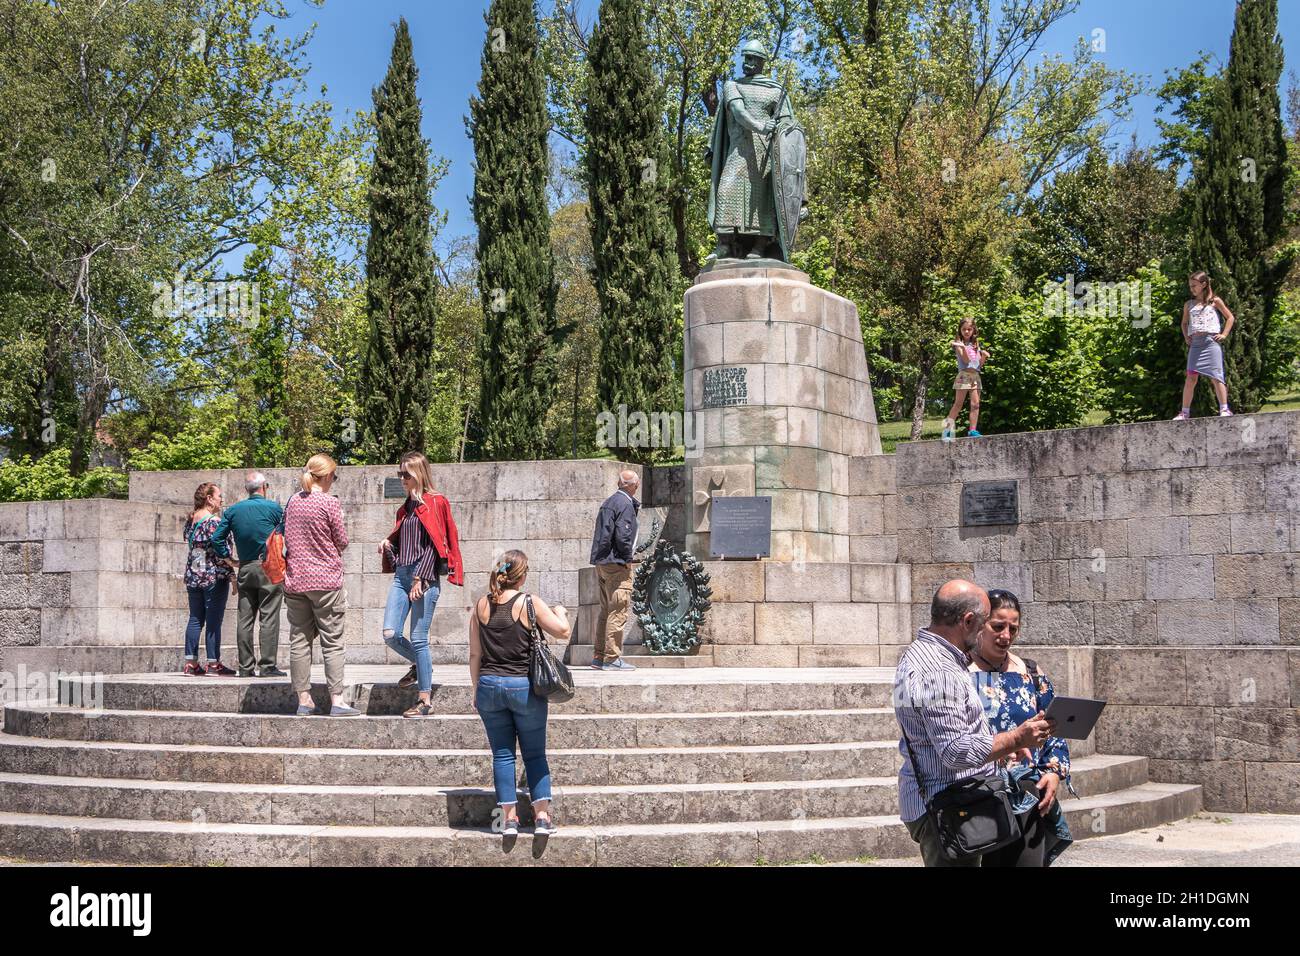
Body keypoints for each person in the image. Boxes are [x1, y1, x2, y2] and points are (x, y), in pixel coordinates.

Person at [893, 579, 1055, 867]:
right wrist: (1016, 738)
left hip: (947, 800)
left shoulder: (920, 653)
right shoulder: (939, 670)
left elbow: (943, 735)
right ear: (968, 621)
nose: (985, 632)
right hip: (948, 805)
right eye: (984, 623)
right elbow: (956, 751)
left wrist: (1002, 747)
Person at [968, 589, 1074, 866]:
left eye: (1013, 629)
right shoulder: (960, 673)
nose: (1006, 635)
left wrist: (1053, 773)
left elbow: (1053, 726)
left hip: (1027, 789)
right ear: (981, 624)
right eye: (998, 626)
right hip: (979, 792)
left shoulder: (1031, 673)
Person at [468, 549, 570, 837]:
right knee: (535, 755)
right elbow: (562, 631)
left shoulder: (479, 607)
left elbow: (475, 654)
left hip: (489, 686)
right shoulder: (529, 602)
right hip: (523, 688)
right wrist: (560, 612)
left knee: (502, 755)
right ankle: (542, 820)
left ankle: (508, 821)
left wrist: (477, 689)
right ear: (522, 576)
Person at [378, 451, 464, 718]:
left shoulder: (435, 502)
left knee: (418, 638)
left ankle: (425, 700)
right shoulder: (408, 507)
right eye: (399, 474)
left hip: (422, 578)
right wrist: (389, 543)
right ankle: (419, 663)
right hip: (402, 576)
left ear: (420, 474)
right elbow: (409, 542)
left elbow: (438, 544)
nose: (402, 478)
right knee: (390, 634)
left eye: (406, 474)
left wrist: (422, 577)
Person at [283, 453, 358, 717]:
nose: (333, 481)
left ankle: (304, 700)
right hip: (326, 581)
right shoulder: (329, 503)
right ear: (326, 476)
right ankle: (336, 700)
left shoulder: (293, 501)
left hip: (295, 581)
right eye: (334, 476)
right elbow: (342, 540)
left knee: (299, 640)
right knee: (333, 641)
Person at [211, 471, 285, 678]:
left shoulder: (233, 511)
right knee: (269, 617)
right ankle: (268, 666)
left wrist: (229, 559)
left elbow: (217, 539)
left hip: (245, 567)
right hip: (269, 567)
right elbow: (285, 535)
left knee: (245, 619)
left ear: (247, 489)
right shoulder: (274, 509)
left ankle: (245, 667)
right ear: (265, 487)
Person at [181, 482, 237, 676]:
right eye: (219, 495)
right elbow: (221, 551)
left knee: (195, 618)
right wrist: (232, 570)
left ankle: (190, 663)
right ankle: (213, 664)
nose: (222, 499)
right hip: (213, 575)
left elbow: (196, 548)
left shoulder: (191, 520)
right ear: (209, 499)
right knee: (213, 620)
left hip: (193, 574)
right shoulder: (214, 522)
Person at [588, 469, 640, 671]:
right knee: (618, 609)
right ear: (632, 485)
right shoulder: (625, 503)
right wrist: (627, 559)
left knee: (606, 610)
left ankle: (599, 656)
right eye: (636, 483)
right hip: (616, 564)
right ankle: (611, 658)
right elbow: (623, 535)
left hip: (602, 563)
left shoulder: (608, 502)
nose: (637, 486)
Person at [1173, 271, 1235, 420]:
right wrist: (1186, 336)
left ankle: (1224, 409)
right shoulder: (1188, 304)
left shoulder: (1215, 301)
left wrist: (1224, 334)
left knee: (1216, 376)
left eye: (1194, 285)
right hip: (1196, 344)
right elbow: (1184, 323)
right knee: (1191, 377)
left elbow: (1230, 317)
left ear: (1204, 284)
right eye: (1190, 286)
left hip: (1210, 342)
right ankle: (1185, 412)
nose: (1192, 289)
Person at [946, 318, 989, 438]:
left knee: (975, 405)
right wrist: (963, 347)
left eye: (969, 329)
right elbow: (966, 360)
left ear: (973, 330)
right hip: (964, 376)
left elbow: (977, 365)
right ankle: (947, 430)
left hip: (975, 376)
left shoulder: (975, 344)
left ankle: (973, 430)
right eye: (964, 329)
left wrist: (984, 357)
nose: (966, 331)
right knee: (958, 404)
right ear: (960, 330)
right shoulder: (958, 344)